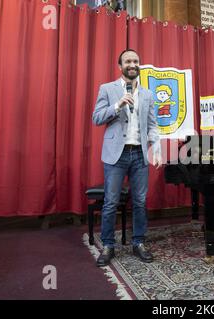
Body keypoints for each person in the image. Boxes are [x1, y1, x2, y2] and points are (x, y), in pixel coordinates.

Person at [92, 49, 162, 266]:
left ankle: (138, 242)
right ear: (120, 66)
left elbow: (152, 125)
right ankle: (108, 246)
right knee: (111, 202)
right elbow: (96, 118)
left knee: (140, 202)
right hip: (116, 155)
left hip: (139, 155)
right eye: (128, 61)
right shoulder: (107, 89)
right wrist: (118, 104)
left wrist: (156, 150)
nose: (132, 64)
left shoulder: (148, 94)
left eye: (136, 61)